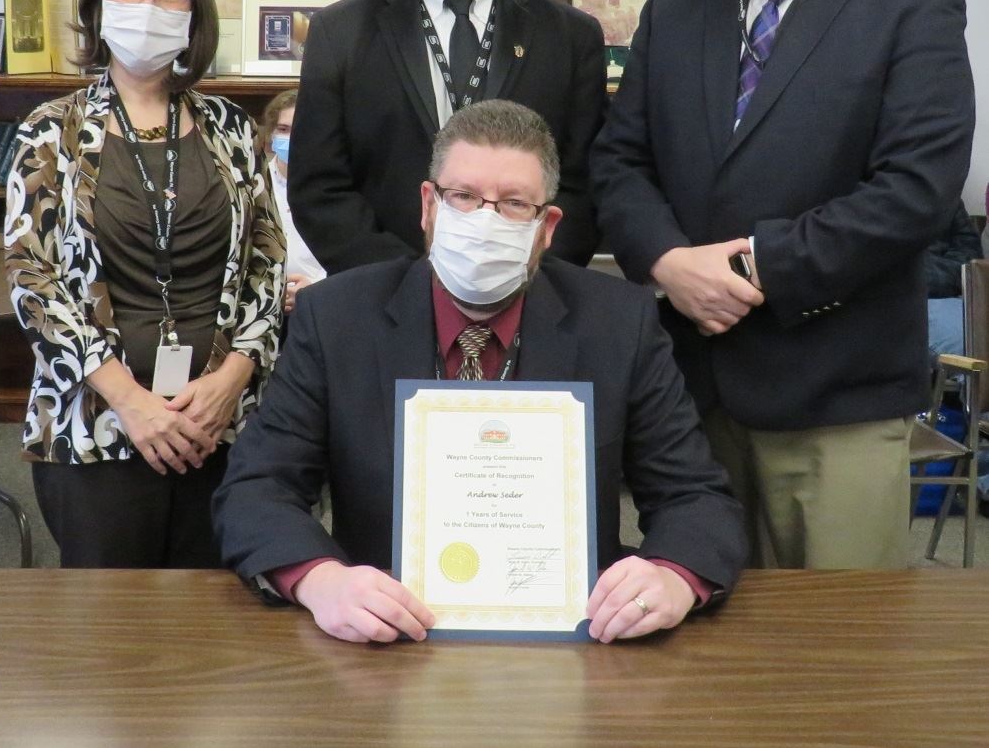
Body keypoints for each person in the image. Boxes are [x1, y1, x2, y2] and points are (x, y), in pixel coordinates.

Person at [590, 0, 975, 570]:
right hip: (689, 394)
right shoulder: (674, 10)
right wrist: (667, 262)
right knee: (693, 636)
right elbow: (617, 163)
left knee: (829, 661)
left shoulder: (915, 8)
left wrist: (746, 269)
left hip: (834, 396)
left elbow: (914, 190)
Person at [214, 99, 747, 644]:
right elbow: (258, 487)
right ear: (428, 205)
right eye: (463, 197)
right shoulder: (338, 318)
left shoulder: (618, 322)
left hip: (579, 639)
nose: (484, 222)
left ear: (547, 227)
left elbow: (696, 498)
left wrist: (672, 578)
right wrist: (320, 582)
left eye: (515, 204)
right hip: (383, 637)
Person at [5, 0, 285, 569]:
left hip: (220, 425)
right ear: (100, 2)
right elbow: (34, 281)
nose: (148, 6)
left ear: (194, 13)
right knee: (112, 634)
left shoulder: (233, 130)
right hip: (96, 428)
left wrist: (226, 383)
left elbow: (266, 273)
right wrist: (133, 403)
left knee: (220, 629)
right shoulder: (52, 132)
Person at [287, 0, 606, 274]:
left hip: (529, 299)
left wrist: (518, 276)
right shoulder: (339, 33)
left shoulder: (571, 36)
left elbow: (583, 186)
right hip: (383, 297)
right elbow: (319, 189)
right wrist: (411, 285)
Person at [260, 88, 326, 316]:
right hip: (261, 309)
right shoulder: (253, 185)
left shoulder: (334, 190)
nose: (291, 138)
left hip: (321, 306)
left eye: (299, 130)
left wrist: (318, 289)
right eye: (283, 129)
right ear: (270, 133)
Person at [925, 199, 981, 365]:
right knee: (971, 344)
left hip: (952, 296)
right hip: (893, 302)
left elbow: (970, 258)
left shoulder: (943, 189)